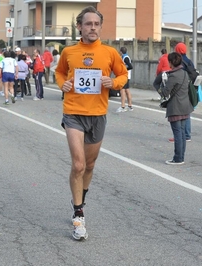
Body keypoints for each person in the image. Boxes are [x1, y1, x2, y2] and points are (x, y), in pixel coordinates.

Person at [54, 6, 128, 241]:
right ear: (79, 27)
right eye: (88, 24)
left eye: (96, 24)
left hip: (98, 114)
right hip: (74, 112)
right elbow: (59, 73)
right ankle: (78, 214)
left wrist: (113, 82)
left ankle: (80, 198)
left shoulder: (109, 52)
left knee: (90, 165)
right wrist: (62, 85)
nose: (93, 28)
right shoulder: (69, 51)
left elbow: (124, 75)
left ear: (100, 27)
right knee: (78, 165)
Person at [157, 52, 193, 165]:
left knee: (177, 133)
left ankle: (178, 158)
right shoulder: (184, 73)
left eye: (169, 61)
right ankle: (181, 157)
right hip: (185, 106)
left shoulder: (173, 76)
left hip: (176, 108)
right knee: (182, 133)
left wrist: (160, 85)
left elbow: (165, 92)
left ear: (171, 62)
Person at [169, 42, 194, 143]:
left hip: (181, 90)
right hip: (190, 88)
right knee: (186, 112)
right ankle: (187, 134)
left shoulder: (180, 61)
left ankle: (181, 136)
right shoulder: (189, 61)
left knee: (180, 113)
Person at [116, 46, 134, 112]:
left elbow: (130, 66)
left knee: (122, 91)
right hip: (127, 76)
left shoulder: (125, 58)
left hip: (125, 76)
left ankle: (123, 106)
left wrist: (124, 70)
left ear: (121, 51)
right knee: (127, 90)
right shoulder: (126, 57)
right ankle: (130, 106)